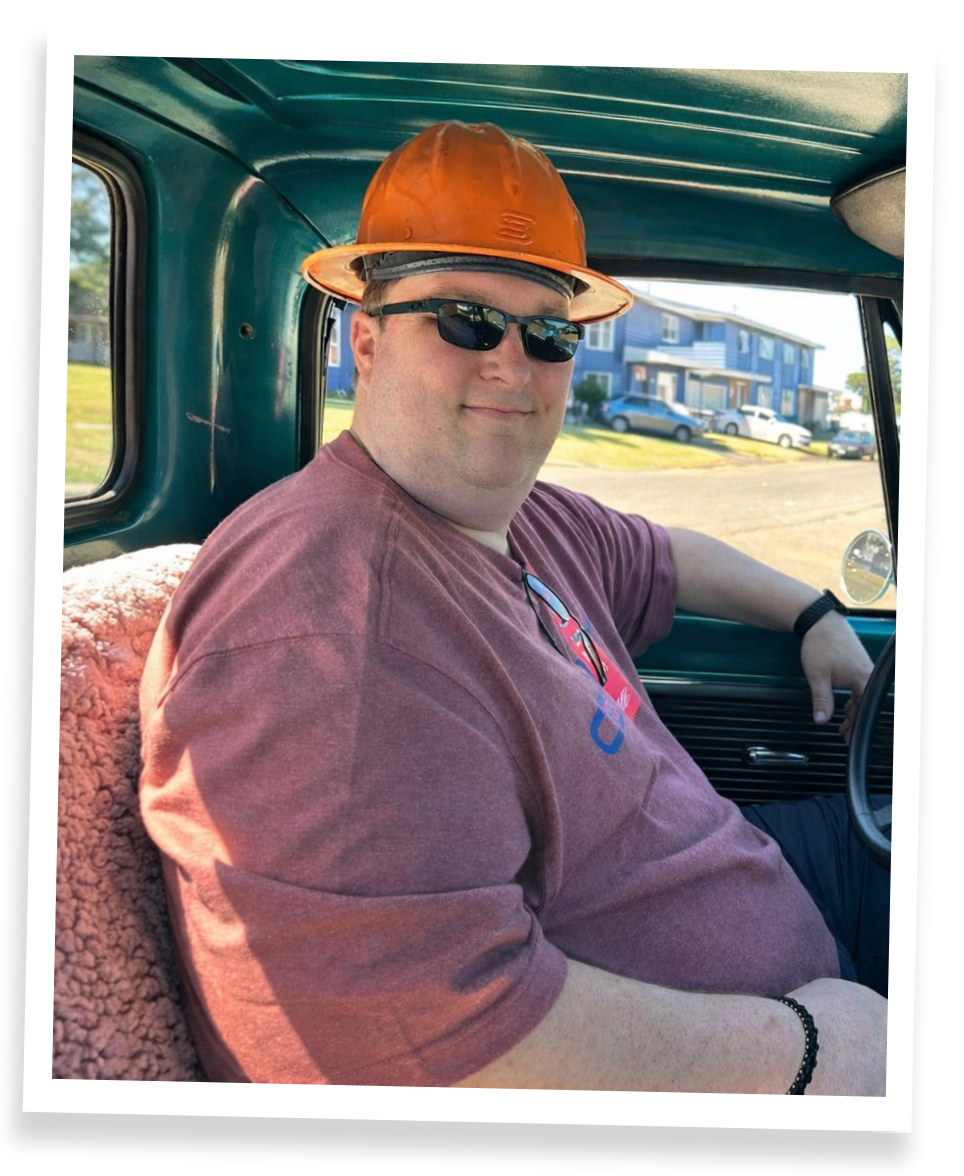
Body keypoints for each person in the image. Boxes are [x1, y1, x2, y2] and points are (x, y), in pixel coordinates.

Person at [139, 121, 888, 1093]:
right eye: (463, 320)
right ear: (365, 339)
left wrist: (813, 615)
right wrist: (817, 1055)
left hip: (757, 878)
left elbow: (665, 555)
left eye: (548, 333)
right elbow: (400, 1051)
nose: (512, 362)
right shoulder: (329, 625)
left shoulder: (517, 517)